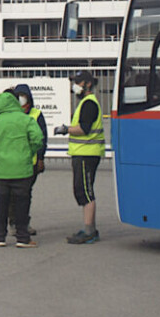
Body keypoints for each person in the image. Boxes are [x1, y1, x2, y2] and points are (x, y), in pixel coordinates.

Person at [0, 89, 43, 248]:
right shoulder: (26, 120)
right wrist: (29, 152)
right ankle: (23, 237)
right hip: (22, 168)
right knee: (22, 203)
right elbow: (38, 139)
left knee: (2, 203)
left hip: (1, 169)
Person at [54, 70, 105, 245]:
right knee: (82, 190)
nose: (75, 86)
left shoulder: (89, 103)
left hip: (86, 154)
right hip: (83, 153)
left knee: (86, 192)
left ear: (87, 84)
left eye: (78, 82)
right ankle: (89, 228)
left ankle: (90, 230)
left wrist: (65, 129)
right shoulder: (85, 102)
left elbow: (84, 129)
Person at [9, 84, 47, 236]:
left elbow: (42, 138)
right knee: (12, 194)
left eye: (23, 97)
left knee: (25, 194)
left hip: (30, 162)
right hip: (13, 161)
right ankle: (13, 222)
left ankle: (23, 223)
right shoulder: (10, 114)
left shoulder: (36, 114)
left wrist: (40, 158)